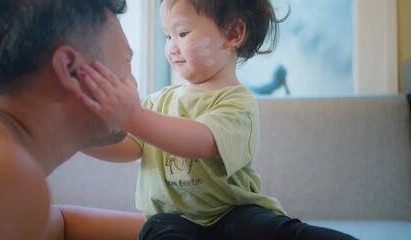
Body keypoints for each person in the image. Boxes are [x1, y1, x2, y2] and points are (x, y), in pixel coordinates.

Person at [78, 0, 358, 239]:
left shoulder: (237, 103)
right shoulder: (157, 103)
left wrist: (134, 117)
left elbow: (202, 141)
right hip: (175, 220)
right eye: (167, 36)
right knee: (154, 229)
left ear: (233, 33)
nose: (172, 47)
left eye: (183, 33)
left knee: (270, 227)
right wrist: (76, 138)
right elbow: (129, 147)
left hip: (233, 214)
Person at [0, 0, 144, 239]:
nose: (133, 83)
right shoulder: (1, 176)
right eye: (126, 63)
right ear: (70, 68)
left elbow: (58, 224)